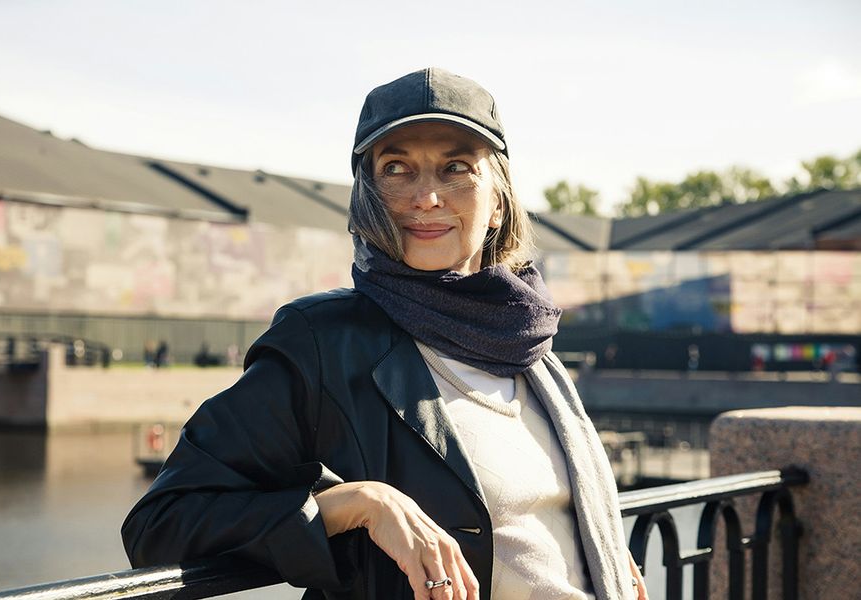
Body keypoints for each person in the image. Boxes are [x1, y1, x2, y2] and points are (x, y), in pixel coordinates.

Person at [122, 68, 648, 600]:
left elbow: (533, 521)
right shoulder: (323, 342)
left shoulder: (526, 338)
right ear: (368, 196)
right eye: (396, 168)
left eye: (456, 169)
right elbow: (161, 524)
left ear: (498, 203)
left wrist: (595, 545)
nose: (426, 197)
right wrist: (355, 505)